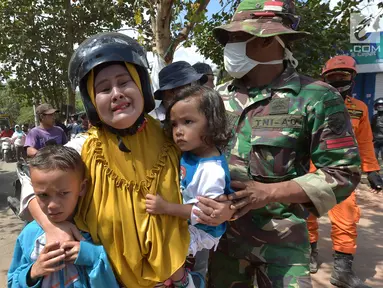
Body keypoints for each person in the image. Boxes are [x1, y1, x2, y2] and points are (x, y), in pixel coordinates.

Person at [186, 0, 362, 286]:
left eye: (239, 37)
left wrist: (268, 193)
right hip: (223, 244)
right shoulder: (214, 99)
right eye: (230, 38)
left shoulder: (317, 98)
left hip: (283, 244)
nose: (230, 46)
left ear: (271, 41)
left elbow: (343, 174)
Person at [18, 32, 191, 288]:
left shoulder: (174, 137)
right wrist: (52, 227)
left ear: (142, 85)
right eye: (104, 89)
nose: (117, 93)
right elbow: (30, 184)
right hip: (108, 278)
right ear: (91, 100)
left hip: (172, 278)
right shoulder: (84, 147)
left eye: (125, 82)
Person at [146, 86, 233, 286]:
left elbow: (204, 213)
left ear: (212, 124)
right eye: (174, 124)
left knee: (165, 247)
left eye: (188, 122)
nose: (178, 131)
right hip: (188, 221)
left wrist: (165, 207)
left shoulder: (211, 171)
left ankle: (186, 282)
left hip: (204, 230)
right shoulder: (192, 152)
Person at [306, 55, 381, 288]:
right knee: (307, 215)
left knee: (347, 217)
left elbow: (366, 140)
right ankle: (310, 252)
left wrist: (371, 170)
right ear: (324, 79)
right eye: (333, 77)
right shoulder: (311, 104)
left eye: (343, 77)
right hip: (310, 169)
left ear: (353, 79)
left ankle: (342, 270)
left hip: (342, 173)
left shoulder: (360, 109)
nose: (338, 82)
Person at [8, 145, 120, 288]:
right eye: (43, 195)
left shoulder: (94, 231)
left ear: (82, 188)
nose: (53, 205)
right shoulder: (29, 235)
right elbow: (12, 282)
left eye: (63, 193)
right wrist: (33, 273)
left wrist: (92, 255)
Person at [371, 98, 383, 163]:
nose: (380, 106)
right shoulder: (374, 117)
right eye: (378, 105)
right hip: (376, 140)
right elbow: (370, 128)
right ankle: (376, 171)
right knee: (374, 156)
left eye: (381, 104)